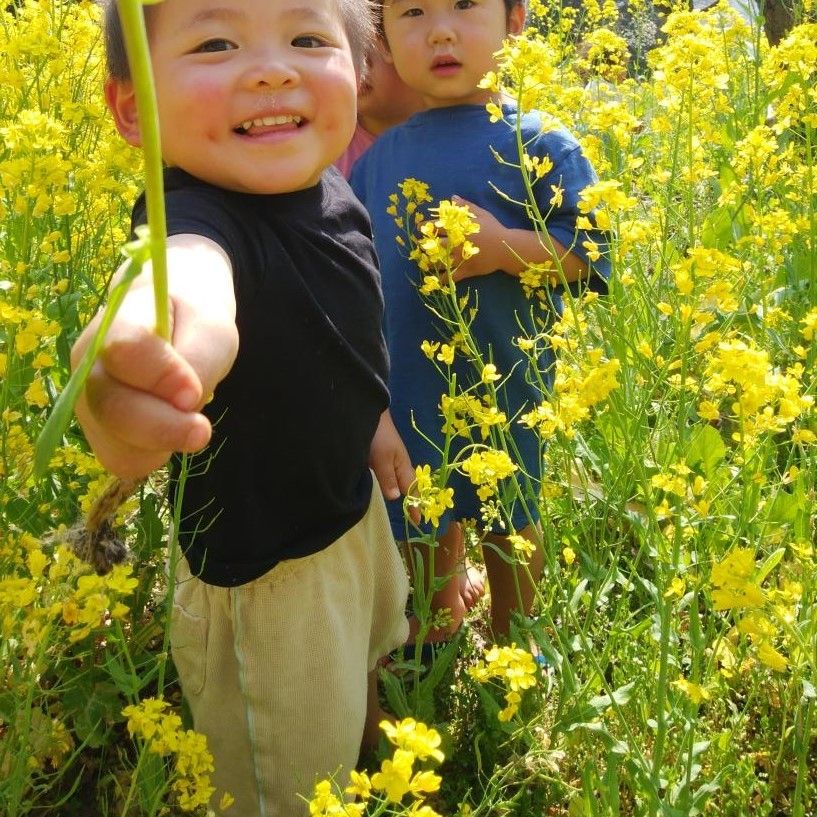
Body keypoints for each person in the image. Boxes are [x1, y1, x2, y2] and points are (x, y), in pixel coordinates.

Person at [74, 0, 411, 813]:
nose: (272, 68)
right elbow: (181, 279)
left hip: (347, 513)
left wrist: (371, 419)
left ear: (358, 72)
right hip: (267, 588)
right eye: (217, 42)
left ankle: (362, 755)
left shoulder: (323, 183)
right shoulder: (193, 218)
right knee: (285, 784)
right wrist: (139, 350)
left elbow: (336, 320)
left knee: (363, 661)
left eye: (306, 39)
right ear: (132, 108)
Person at [351, 0, 610, 646]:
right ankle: (435, 640)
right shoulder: (374, 162)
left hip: (505, 383)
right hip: (410, 385)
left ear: (515, 20)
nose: (440, 29)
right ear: (383, 39)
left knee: (510, 520)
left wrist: (498, 247)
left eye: (465, 6)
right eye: (412, 12)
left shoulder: (542, 142)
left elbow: (586, 255)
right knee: (423, 518)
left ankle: (516, 645)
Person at [335, 41, 425, 178]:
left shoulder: (452, 141)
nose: (357, 69)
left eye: (365, 54)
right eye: (349, 55)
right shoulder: (332, 147)